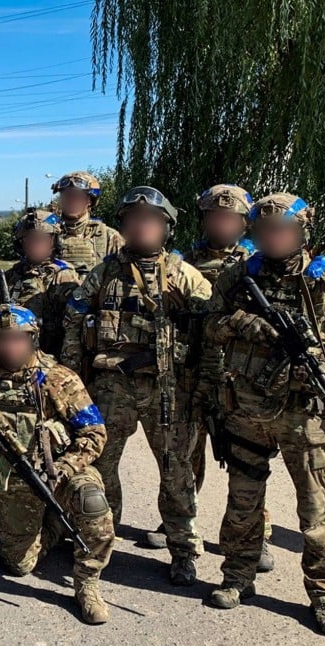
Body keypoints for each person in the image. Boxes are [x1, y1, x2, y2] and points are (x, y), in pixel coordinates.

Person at [203, 193, 325, 636]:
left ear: (301, 233)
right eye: (265, 232)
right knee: (242, 503)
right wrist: (244, 323)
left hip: (307, 415)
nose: (274, 238)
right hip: (247, 409)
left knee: (317, 513)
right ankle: (238, 577)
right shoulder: (238, 276)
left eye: (283, 231)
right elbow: (208, 324)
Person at [60, 186, 209, 586]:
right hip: (112, 387)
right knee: (101, 467)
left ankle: (183, 550)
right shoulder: (104, 272)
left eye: (151, 220)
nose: (142, 227)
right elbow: (75, 321)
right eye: (134, 220)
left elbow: (211, 330)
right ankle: (99, 541)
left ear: (166, 227)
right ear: (123, 225)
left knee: (176, 472)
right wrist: (74, 384)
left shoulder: (183, 275)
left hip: (167, 388)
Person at [0, 304, 114, 624]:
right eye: (3, 339)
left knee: (93, 502)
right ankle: (50, 525)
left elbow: (95, 433)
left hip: (60, 472)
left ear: (33, 339)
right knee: (19, 565)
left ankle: (87, 584)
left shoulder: (57, 378)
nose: (11, 346)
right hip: (13, 480)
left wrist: (66, 467)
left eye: (19, 339)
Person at [149, 184, 274, 572]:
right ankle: (184, 525)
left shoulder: (259, 263)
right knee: (187, 453)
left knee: (246, 460)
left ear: (243, 223)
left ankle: (256, 533)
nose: (222, 223)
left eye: (231, 218)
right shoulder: (181, 262)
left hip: (240, 379)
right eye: (215, 217)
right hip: (192, 374)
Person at [4, 208, 81, 356]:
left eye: (42, 239)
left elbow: (74, 325)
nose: (35, 245)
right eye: (30, 240)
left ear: (54, 241)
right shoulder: (11, 276)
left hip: (51, 356)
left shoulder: (63, 276)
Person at [52, 171, 124, 279]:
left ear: (90, 200)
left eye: (77, 196)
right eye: (67, 195)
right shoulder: (48, 234)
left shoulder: (109, 237)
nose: (71, 200)